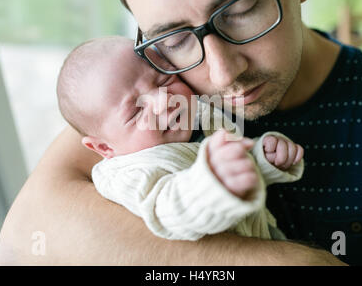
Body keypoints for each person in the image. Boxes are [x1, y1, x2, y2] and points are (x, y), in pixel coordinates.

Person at [0, 0, 362, 265]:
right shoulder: (152, 80)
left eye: (244, 8)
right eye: (172, 37)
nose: (221, 73)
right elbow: (19, 243)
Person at [56, 36, 304, 242]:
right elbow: (167, 211)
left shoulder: (203, 118)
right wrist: (212, 183)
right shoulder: (130, 174)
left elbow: (239, 166)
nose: (164, 100)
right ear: (103, 147)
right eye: (135, 111)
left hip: (268, 240)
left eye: (165, 79)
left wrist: (261, 160)